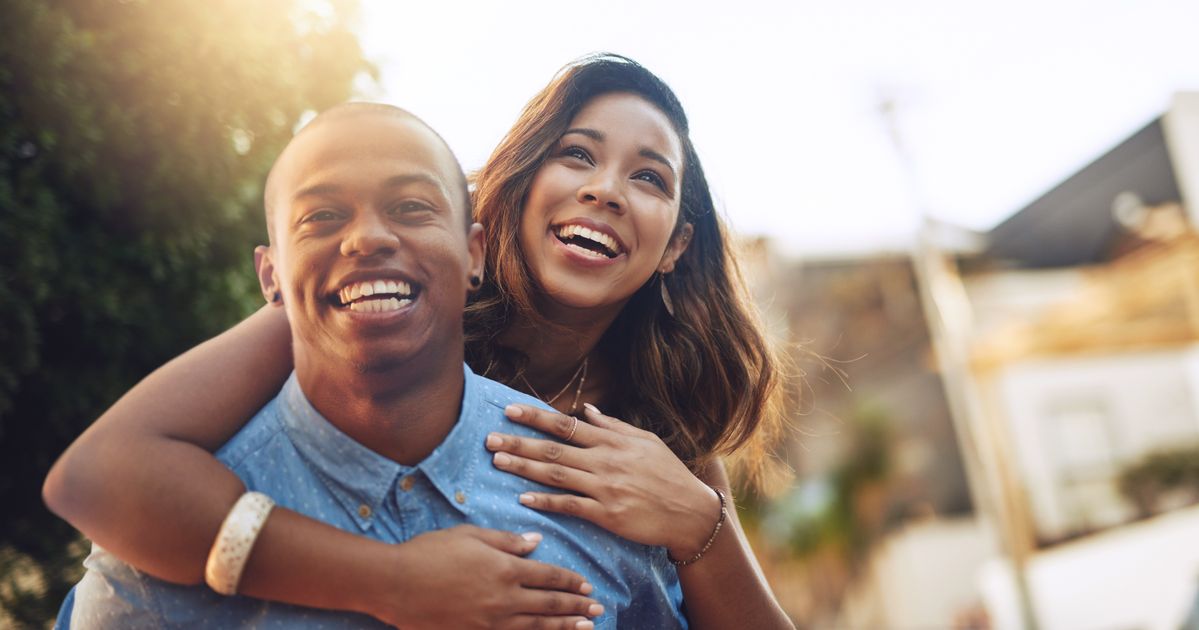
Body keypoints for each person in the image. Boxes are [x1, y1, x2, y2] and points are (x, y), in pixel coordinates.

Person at [45, 54, 793, 629]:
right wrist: (392, 580)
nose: (605, 189)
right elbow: (103, 475)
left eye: (650, 177)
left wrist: (701, 523)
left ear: (674, 245)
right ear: (513, 193)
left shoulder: (658, 432)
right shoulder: (387, 309)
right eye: (576, 154)